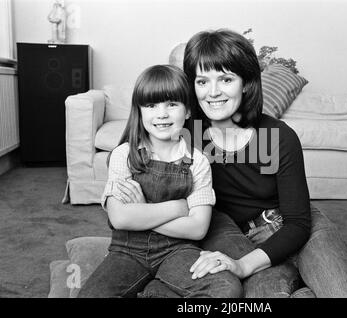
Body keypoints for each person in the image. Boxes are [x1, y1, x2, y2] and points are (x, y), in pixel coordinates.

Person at [177, 28, 347, 298]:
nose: (212, 92)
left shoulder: (278, 136)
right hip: (239, 238)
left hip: (295, 229)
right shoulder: (186, 134)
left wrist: (241, 265)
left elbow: (298, 223)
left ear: (246, 82)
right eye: (202, 82)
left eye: (225, 80)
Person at [77, 65, 242, 298]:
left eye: (172, 104)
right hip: (127, 251)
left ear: (186, 111)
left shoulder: (198, 161)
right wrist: (178, 207)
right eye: (151, 105)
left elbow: (197, 228)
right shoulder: (124, 154)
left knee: (226, 288)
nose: (162, 114)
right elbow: (120, 217)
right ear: (140, 111)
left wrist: (142, 211)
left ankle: (157, 290)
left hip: (177, 250)